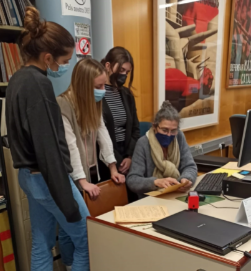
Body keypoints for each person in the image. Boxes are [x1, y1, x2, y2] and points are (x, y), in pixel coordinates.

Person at [6, 7, 89, 271]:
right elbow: (48, 147)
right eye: (64, 61)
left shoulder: (16, 79)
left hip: (28, 178)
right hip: (47, 178)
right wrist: (68, 202)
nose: (63, 67)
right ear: (48, 56)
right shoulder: (39, 86)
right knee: (87, 240)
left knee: (41, 242)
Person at [57, 58, 125, 199]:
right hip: (71, 175)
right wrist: (81, 181)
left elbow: (102, 132)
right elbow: (71, 145)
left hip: (91, 170)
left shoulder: (92, 102)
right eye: (98, 86)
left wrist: (113, 168)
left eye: (103, 86)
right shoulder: (63, 104)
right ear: (83, 86)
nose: (102, 91)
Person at [126, 101, 197, 199]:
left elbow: (190, 166)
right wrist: (155, 182)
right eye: (164, 130)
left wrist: (186, 179)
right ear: (154, 127)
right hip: (150, 199)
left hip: (176, 194)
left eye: (173, 131)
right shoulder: (143, 143)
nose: (168, 135)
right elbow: (132, 180)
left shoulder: (179, 137)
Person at [98, 47, 140, 183]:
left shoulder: (127, 95)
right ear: (108, 66)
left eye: (127, 72)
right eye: (121, 70)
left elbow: (135, 128)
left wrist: (129, 156)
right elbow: (98, 133)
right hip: (105, 156)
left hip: (127, 153)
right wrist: (116, 160)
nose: (124, 75)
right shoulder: (97, 94)